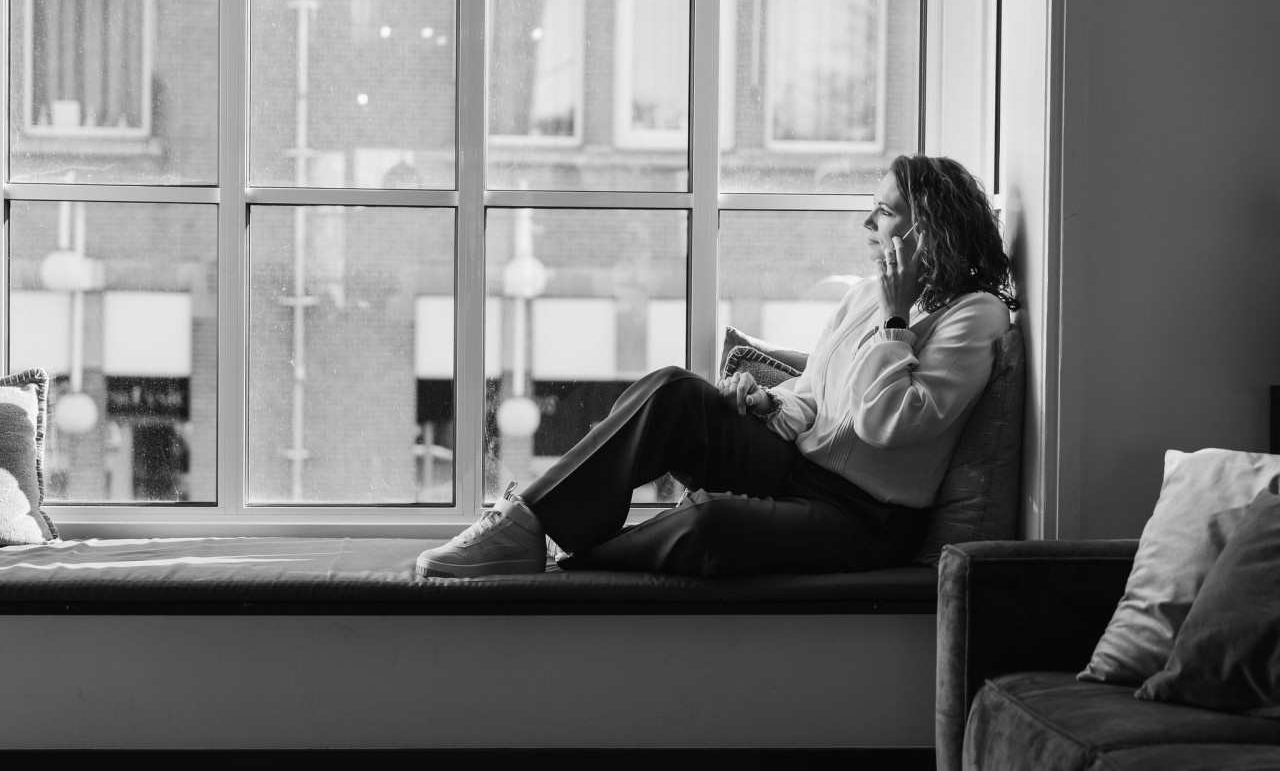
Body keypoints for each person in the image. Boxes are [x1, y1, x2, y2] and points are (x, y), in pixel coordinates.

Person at [417, 153, 1019, 579]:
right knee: (674, 391)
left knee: (714, 526)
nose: (867, 225)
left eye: (884, 213)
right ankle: (526, 524)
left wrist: (895, 323)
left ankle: (566, 560)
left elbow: (891, 424)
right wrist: (768, 403)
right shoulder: (867, 294)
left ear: (930, 227)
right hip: (795, 466)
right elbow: (813, 396)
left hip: (864, 517)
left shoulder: (975, 316)